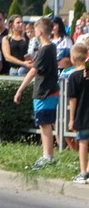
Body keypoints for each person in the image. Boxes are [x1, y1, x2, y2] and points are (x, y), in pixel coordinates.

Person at [14, 17, 60, 170]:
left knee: (44, 123)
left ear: (39, 32)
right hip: (49, 90)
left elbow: (34, 71)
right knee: (44, 123)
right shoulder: (51, 47)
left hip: (44, 92)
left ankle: (48, 156)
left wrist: (20, 89)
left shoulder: (45, 49)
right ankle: (47, 154)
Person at [66, 43, 89, 183]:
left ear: (73, 58)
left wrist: (71, 118)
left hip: (82, 113)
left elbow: (72, 100)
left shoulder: (74, 76)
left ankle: (83, 172)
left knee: (83, 142)